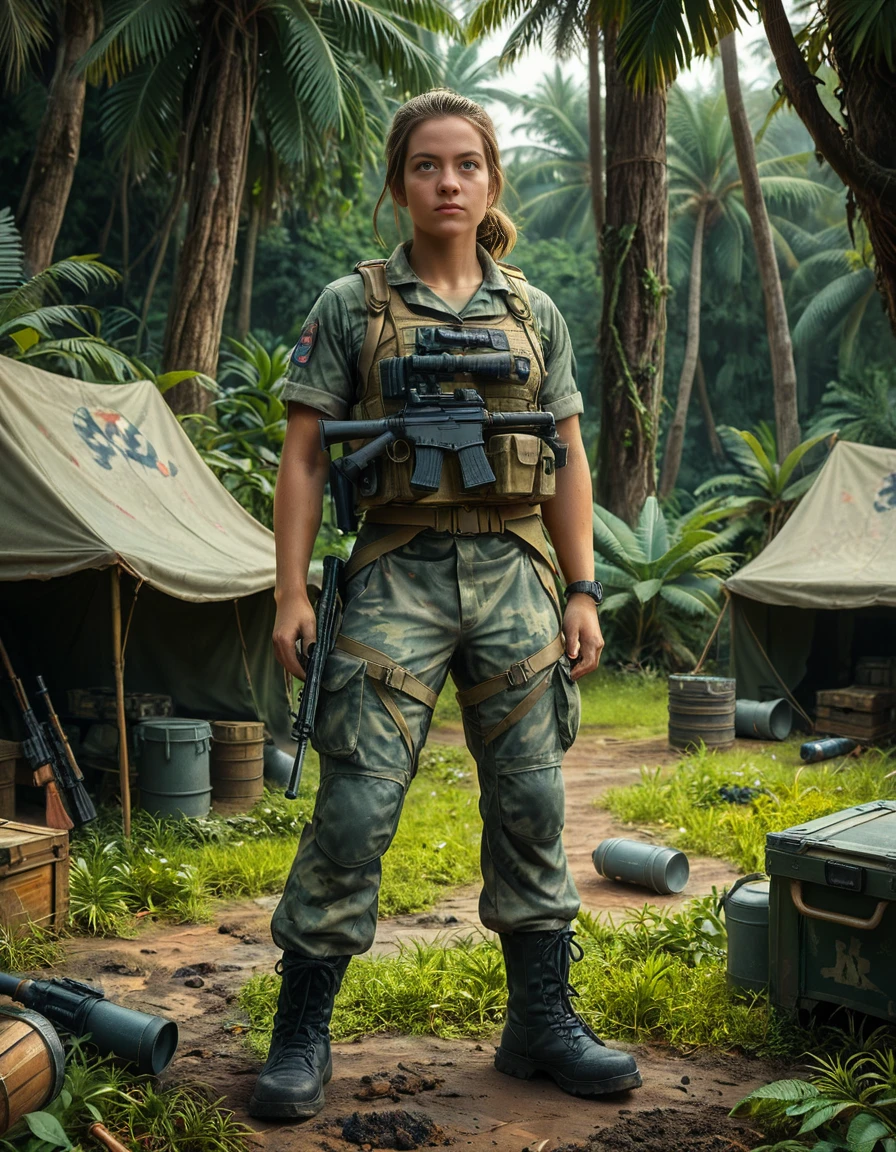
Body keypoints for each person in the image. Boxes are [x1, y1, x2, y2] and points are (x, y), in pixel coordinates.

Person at [250, 89, 642, 1121]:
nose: (448, 182)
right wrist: (290, 592)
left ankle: (540, 1023)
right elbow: (304, 456)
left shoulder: (534, 313)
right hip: (397, 572)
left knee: (532, 802)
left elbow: (566, 458)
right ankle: (300, 1034)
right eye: (426, 165)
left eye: (466, 164)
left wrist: (584, 589)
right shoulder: (351, 304)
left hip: (515, 575)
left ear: (491, 179)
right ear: (399, 183)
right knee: (355, 806)